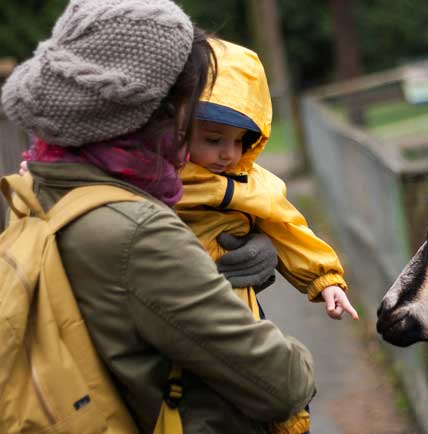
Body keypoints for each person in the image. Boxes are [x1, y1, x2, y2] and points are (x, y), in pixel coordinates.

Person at [2, 1, 315, 433]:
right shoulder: (138, 232)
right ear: (157, 114)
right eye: (190, 102)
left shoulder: (39, 185)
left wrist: (208, 259)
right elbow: (284, 382)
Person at [176, 39, 359, 434]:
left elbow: (286, 226)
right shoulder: (156, 177)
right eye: (213, 139)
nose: (228, 153)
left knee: (266, 388)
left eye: (240, 140)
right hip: (173, 310)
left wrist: (324, 278)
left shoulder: (246, 182)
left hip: (234, 308)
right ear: (180, 126)